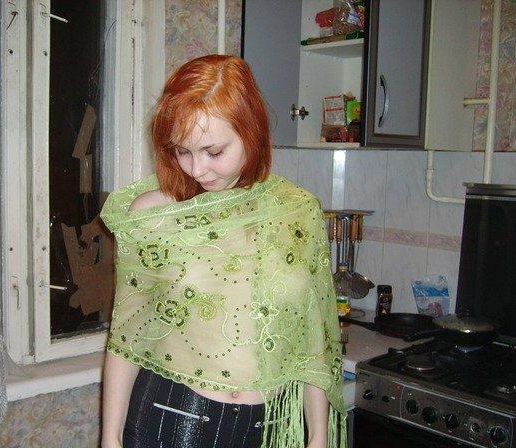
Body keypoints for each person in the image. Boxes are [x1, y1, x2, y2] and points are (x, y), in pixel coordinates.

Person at [100, 54, 346, 448]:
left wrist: (318, 435)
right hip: (175, 418)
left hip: (270, 424)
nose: (197, 169)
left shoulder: (296, 212)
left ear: (252, 131)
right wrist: (110, 438)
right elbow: (128, 337)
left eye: (213, 151)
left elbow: (313, 337)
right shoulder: (154, 215)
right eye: (182, 151)